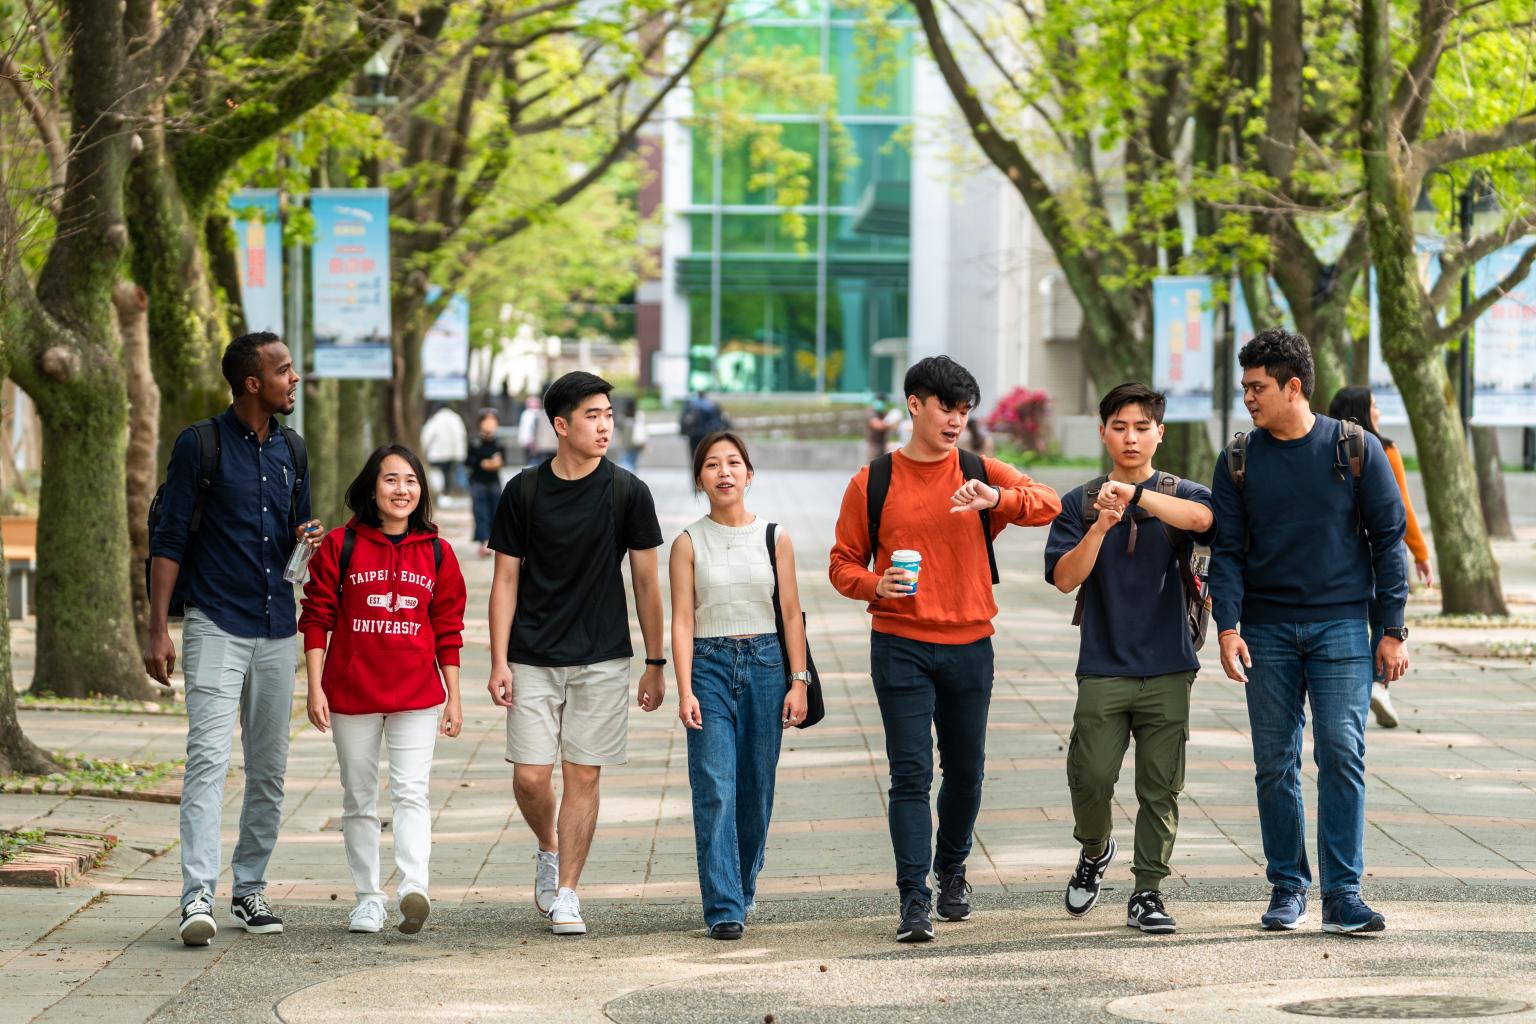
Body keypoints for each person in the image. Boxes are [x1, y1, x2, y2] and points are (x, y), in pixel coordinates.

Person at [829, 356, 1061, 943]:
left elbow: (1050, 502)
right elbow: (841, 563)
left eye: (964, 410)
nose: (956, 420)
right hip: (900, 644)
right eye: (945, 407)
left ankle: (952, 868)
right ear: (915, 405)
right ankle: (914, 898)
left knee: (966, 772)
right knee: (910, 775)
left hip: (970, 645)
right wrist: (872, 584)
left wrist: (996, 502)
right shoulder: (873, 481)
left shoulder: (981, 470)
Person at [1211, 328, 1408, 936]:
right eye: (1245, 387)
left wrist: (1392, 628)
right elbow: (1227, 552)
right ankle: (1288, 887)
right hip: (1265, 632)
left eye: (1258, 387)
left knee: (1343, 754)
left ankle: (1343, 894)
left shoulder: (1355, 448)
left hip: (1343, 626)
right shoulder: (1239, 458)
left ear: (1293, 386)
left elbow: (1388, 540)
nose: (1248, 397)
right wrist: (1227, 627)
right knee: (1274, 763)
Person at [144, 331, 323, 946]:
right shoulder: (201, 445)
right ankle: (197, 892)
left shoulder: (293, 451)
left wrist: (307, 539)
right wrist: (156, 628)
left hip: (278, 629)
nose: (293, 379)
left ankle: (249, 889)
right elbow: (168, 539)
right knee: (209, 761)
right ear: (253, 383)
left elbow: (297, 540)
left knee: (269, 769)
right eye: (284, 371)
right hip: (216, 622)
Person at [486, 371, 667, 936]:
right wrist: (497, 660)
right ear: (561, 426)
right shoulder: (524, 491)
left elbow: (645, 583)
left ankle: (567, 892)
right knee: (532, 778)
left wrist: (655, 662)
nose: (605, 424)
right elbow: (505, 581)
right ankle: (547, 844)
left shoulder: (628, 491)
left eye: (609, 413)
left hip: (603, 658)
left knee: (582, 774)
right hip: (532, 656)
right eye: (592, 415)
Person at [1044, 383, 1215, 935]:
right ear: (1103, 433)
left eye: (1142, 427)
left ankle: (1147, 891)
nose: (1131, 437)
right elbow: (1064, 578)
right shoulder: (1078, 501)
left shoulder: (1181, 493)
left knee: (1159, 786)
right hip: (1103, 664)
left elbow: (1204, 522)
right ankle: (1094, 850)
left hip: (1169, 663)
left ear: (1159, 433)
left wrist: (1136, 497)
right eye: (1120, 427)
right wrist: (1100, 524)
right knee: (1090, 777)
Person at [299, 445, 466, 935]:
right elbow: (315, 618)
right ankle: (368, 899)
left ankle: (414, 886)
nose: (402, 490)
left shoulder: (438, 552)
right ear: (372, 487)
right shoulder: (339, 545)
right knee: (358, 798)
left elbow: (448, 629)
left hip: (417, 694)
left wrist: (453, 695)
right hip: (351, 692)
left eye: (411, 480)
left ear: (422, 490)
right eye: (391, 480)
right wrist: (314, 687)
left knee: (412, 792)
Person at [670, 432, 809, 940]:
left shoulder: (776, 537)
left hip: (768, 665)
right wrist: (684, 688)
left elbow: (791, 614)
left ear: (749, 474)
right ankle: (725, 906)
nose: (724, 472)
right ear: (700, 478)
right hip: (707, 666)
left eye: (733, 463)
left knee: (756, 789)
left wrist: (800, 681)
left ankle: (743, 884)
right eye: (712, 465)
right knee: (714, 789)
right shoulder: (687, 542)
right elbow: (682, 620)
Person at [1326, 386, 1432, 729]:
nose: (1379, 412)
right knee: (1384, 617)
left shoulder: (1326, 449)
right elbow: (1403, 509)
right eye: (1374, 406)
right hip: (1382, 549)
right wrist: (1420, 552)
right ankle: (1377, 684)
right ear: (1362, 409)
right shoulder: (1385, 450)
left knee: (1359, 617)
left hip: (1344, 554)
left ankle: (1362, 685)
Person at [466, 409, 505, 558]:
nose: (489, 425)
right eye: (486, 421)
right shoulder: (475, 442)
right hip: (478, 482)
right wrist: (482, 463)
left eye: (493, 421)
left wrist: (497, 463)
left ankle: (494, 543)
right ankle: (483, 542)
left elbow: (503, 460)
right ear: (480, 424)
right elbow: (468, 462)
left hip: (494, 482)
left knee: (496, 512)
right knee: (480, 512)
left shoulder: (499, 442)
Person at [420, 404, 468, 497]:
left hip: (437, 454)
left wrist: (424, 450)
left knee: (438, 474)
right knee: (448, 475)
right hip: (453, 454)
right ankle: (447, 493)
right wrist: (461, 453)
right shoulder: (456, 418)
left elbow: (427, 436)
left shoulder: (435, 419)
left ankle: (440, 494)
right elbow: (462, 435)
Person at [680, 390, 728, 456]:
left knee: (694, 451)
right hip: (707, 433)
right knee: (706, 452)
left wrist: (683, 431)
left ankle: (694, 465)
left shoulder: (691, 404)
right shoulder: (711, 404)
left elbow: (684, 418)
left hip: (693, 433)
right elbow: (717, 420)